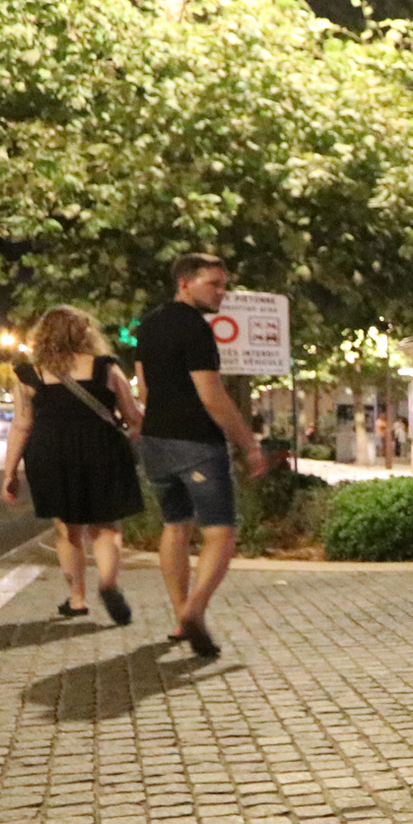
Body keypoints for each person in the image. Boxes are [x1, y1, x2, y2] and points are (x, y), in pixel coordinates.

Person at [134, 253, 267, 660]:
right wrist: (249, 443)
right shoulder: (195, 328)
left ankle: (179, 617)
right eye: (214, 284)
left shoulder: (148, 325)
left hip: (155, 441)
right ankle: (194, 610)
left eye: (223, 284)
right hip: (195, 443)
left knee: (175, 526)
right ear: (185, 283)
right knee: (220, 532)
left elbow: (143, 390)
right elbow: (212, 396)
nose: (222, 292)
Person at [0, 305, 146, 624]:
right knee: (106, 526)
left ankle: (77, 599)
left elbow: (22, 424)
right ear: (85, 333)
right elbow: (133, 416)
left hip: (51, 452)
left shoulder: (29, 374)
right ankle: (107, 582)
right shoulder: (106, 367)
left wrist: (10, 472)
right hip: (101, 447)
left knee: (67, 529)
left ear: (43, 336)